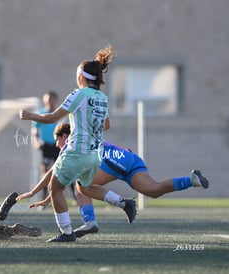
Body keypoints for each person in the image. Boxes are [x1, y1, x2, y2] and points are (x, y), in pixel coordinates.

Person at [19, 45, 131, 242]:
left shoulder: (78, 94)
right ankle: (123, 203)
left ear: (81, 76)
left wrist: (28, 115)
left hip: (77, 152)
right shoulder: (102, 98)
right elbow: (106, 125)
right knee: (85, 188)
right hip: (95, 154)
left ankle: (66, 232)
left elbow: (52, 117)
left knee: (55, 189)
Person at [21, 123, 209, 238]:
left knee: (82, 185)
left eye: (57, 140)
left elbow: (53, 174)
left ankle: (95, 219)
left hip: (112, 161)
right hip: (129, 159)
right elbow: (57, 185)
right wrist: (48, 198)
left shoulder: (71, 144)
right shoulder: (88, 137)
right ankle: (191, 180)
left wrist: (33, 192)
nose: (56, 145)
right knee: (154, 190)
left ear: (64, 136)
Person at [32, 91, 74, 202]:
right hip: (45, 147)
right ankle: (44, 199)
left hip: (59, 147)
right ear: (44, 100)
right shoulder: (41, 113)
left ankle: (76, 197)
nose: (49, 101)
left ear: (55, 100)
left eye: (51, 99)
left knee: (65, 170)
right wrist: (37, 141)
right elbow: (35, 130)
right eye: (47, 99)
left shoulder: (60, 113)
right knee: (45, 172)